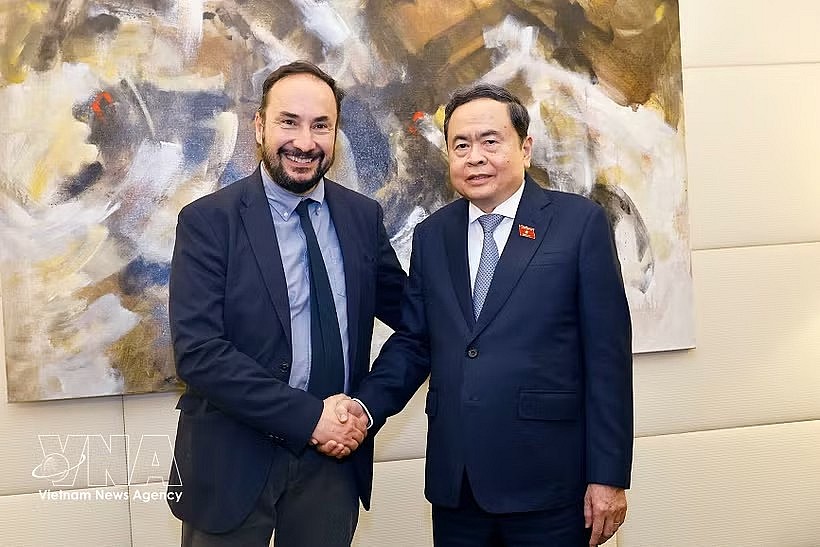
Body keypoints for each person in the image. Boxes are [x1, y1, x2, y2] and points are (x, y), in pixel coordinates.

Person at [334, 83, 633, 546]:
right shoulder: (434, 236)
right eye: (461, 145)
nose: (475, 156)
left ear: (525, 148)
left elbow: (608, 360)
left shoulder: (579, 224)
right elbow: (415, 342)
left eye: (490, 141)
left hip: (550, 484)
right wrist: (363, 408)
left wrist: (609, 476)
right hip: (459, 487)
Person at [167, 60, 407, 546]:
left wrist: (364, 407)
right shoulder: (208, 221)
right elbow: (198, 353)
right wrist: (308, 418)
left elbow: (416, 323)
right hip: (232, 463)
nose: (305, 141)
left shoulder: (362, 217)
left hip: (332, 468)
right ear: (259, 127)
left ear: (336, 133)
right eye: (288, 122)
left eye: (321, 125)